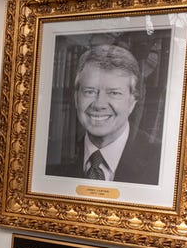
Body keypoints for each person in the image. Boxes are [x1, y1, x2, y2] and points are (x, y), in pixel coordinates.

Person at [46, 44, 161, 185]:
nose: (99, 104)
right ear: (76, 98)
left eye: (114, 93)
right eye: (90, 91)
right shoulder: (49, 155)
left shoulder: (162, 162)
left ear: (132, 101)